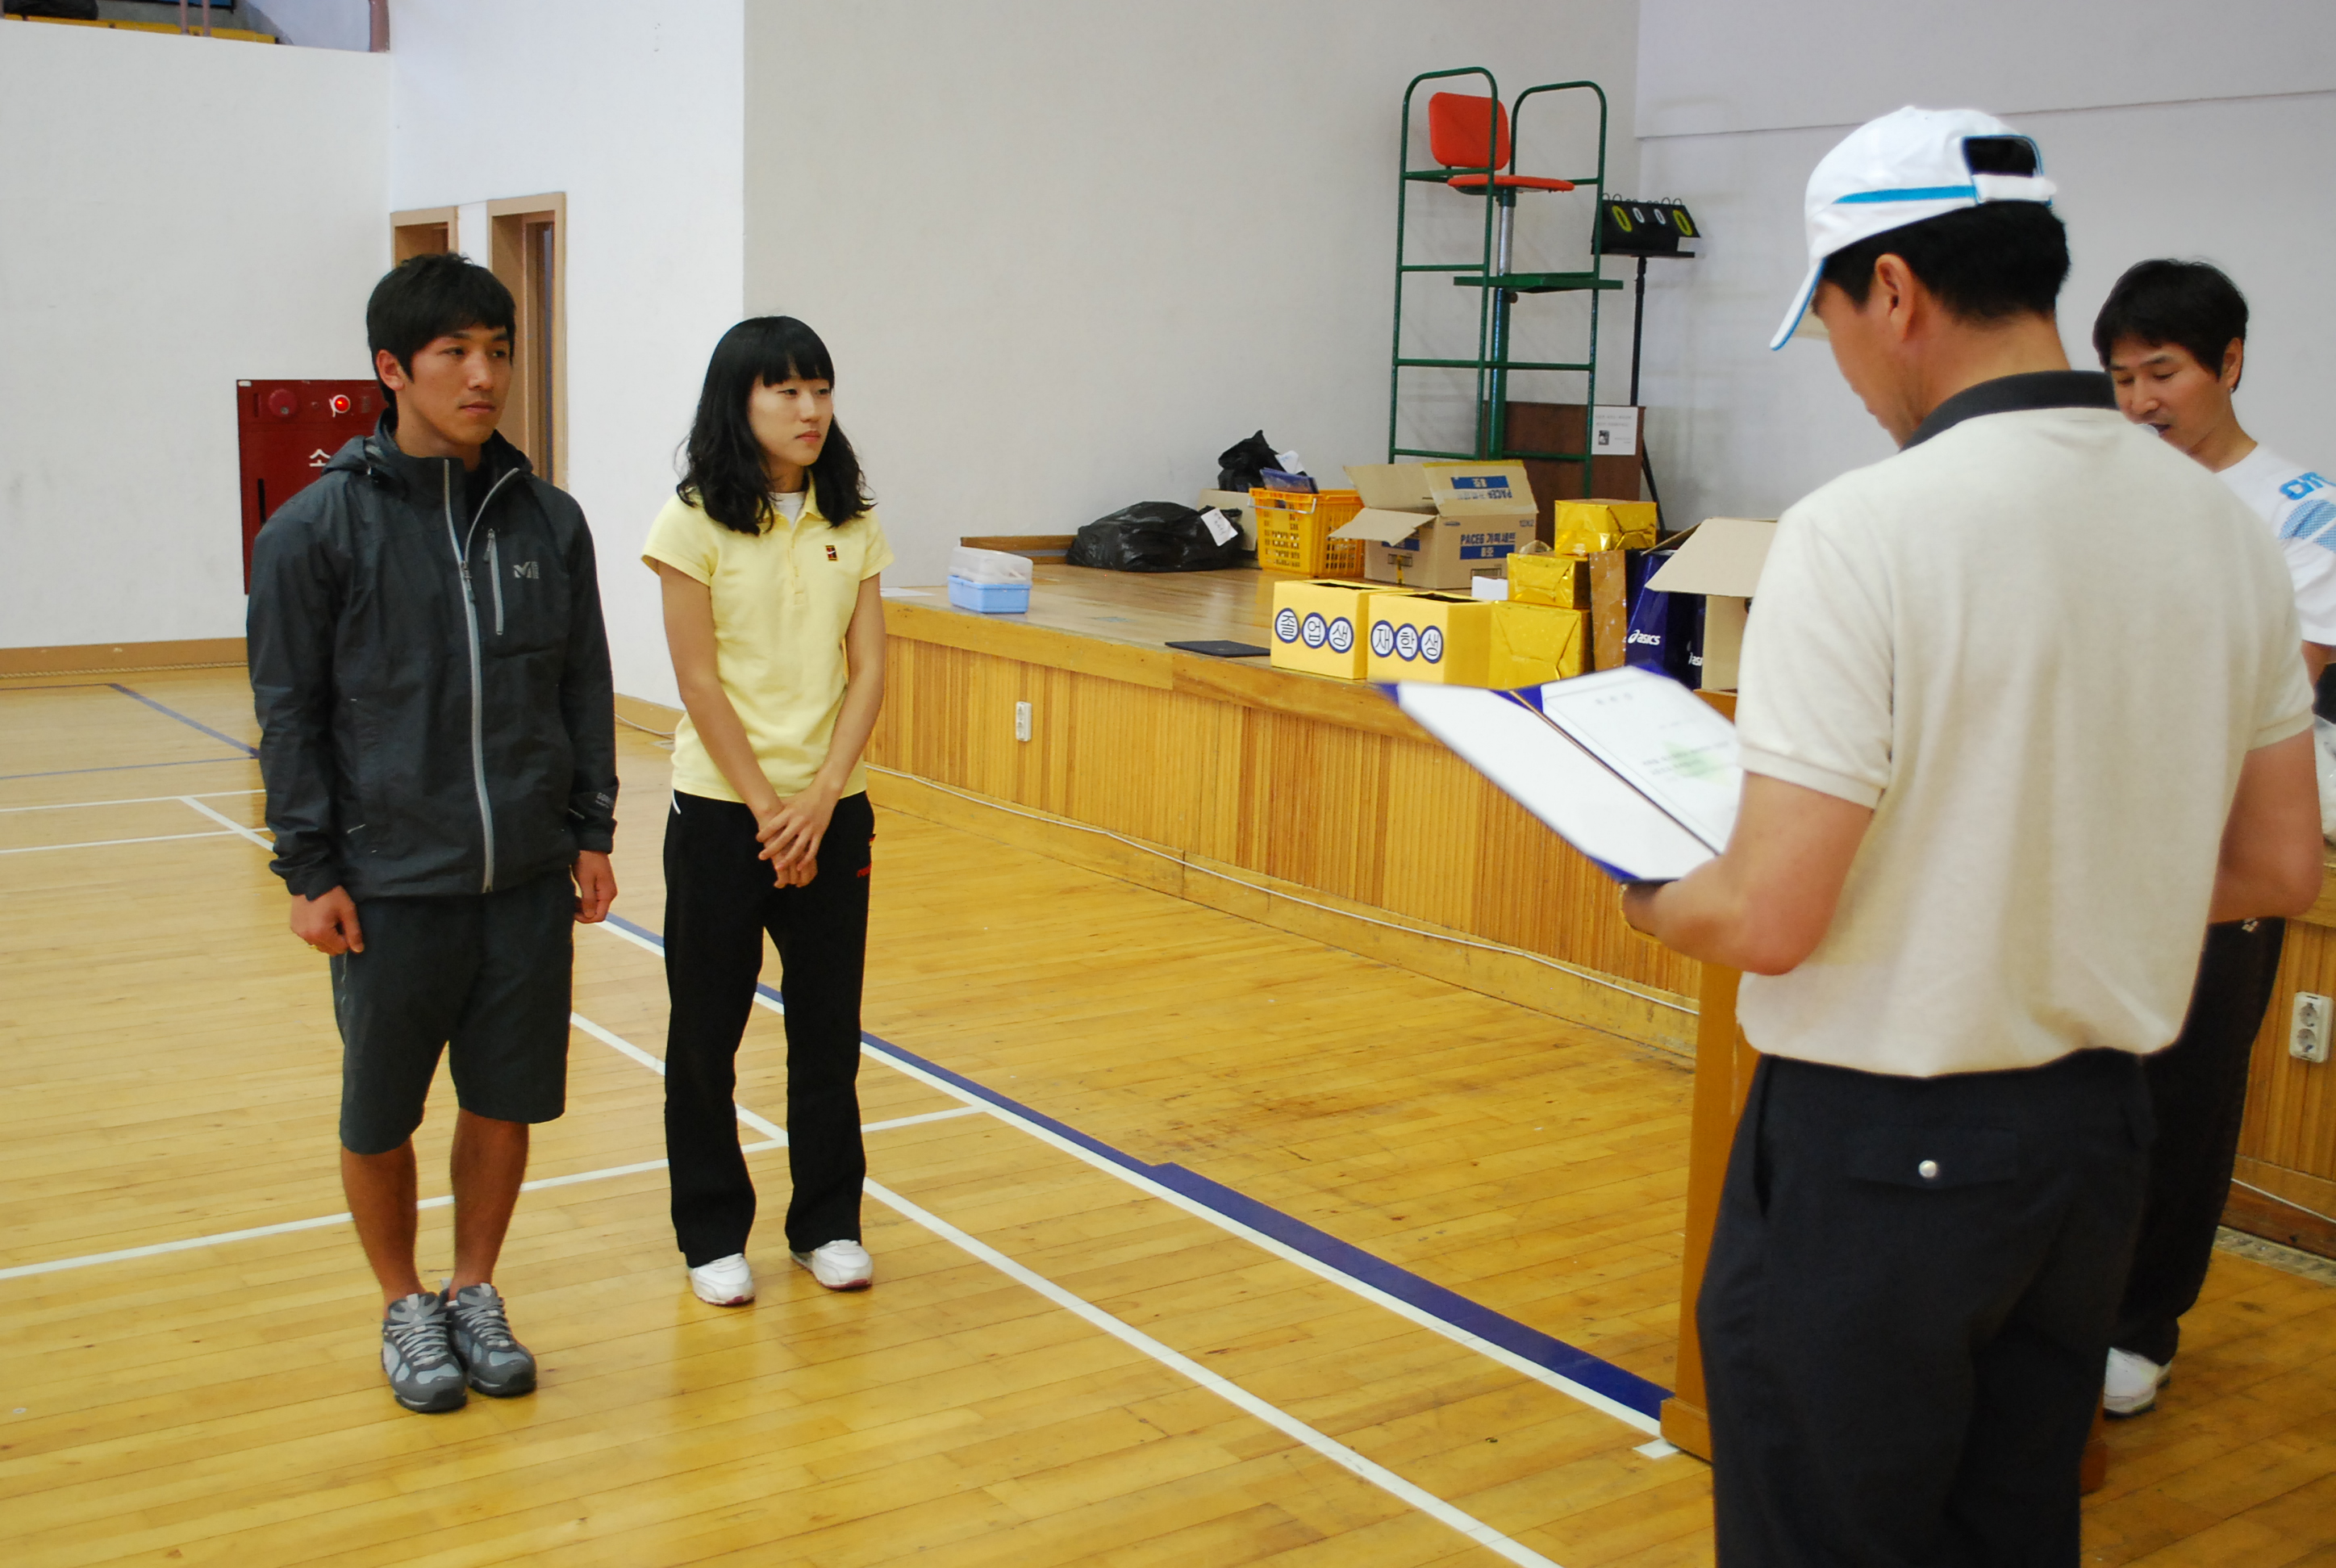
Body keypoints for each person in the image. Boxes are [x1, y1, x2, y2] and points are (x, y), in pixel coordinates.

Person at [1622, 108, 2324, 1562]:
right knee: (2010, 1524)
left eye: (1829, 326)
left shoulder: (1863, 531)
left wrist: (1649, 886)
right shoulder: (2225, 533)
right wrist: (2052, 889)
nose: (1844, 370)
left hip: (1883, 1148)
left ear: (1891, 290)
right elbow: (2276, 868)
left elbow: (1768, 916)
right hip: (2096, 1140)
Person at [248, 252, 619, 1414]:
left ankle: (473, 1288)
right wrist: (309, 869)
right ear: (392, 369)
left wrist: (591, 827)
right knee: (381, 1111)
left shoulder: (550, 522)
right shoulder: (315, 532)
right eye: (455, 352)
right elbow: (289, 713)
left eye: (498, 351)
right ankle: (404, 1302)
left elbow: (582, 686)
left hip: (523, 875)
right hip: (389, 880)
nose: (482, 375)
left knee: (505, 1097)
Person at [2092, 259, 2332, 1416]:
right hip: (2094, 837)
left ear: (2229, 364)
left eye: (2164, 373)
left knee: (2182, 1101)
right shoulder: (2103, 498)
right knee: (2084, 1088)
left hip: (2224, 852)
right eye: (2121, 379)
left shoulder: (2300, 511)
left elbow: (2281, 688)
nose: (2141, 401)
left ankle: (2141, 1327)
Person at [643, 315, 891, 1307]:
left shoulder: (851, 520)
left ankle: (827, 1223)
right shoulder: (690, 523)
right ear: (737, 402)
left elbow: (869, 668)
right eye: (785, 390)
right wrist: (767, 811)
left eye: (819, 389)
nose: (809, 409)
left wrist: (821, 797)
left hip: (833, 811)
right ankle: (711, 1233)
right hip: (721, 812)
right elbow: (698, 681)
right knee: (707, 1037)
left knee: (829, 1033)